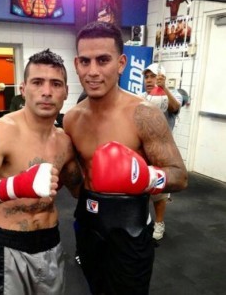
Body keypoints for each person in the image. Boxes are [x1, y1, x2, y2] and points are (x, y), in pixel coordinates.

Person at [63, 21, 188, 295]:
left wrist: (145, 177)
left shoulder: (143, 115)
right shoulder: (72, 119)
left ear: (121, 63)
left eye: (103, 60)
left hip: (130, 229)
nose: (93, 71)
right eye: (85, 61)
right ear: (76, 64)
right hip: (88, 225)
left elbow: (179, 175)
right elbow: (75, 185)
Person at [0, 49, 83, 295]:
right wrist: (17, 186)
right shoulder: (0, 132)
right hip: (7, 247)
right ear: (23, 89)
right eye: (37, 82)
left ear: (66, 91)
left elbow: (79, 190)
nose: (47, 92)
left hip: (50, 244)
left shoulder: (65, 142)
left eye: (56, 84)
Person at [140, 63, 183, 241]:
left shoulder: (171, 95)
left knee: (159, 189)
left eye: (152, 77)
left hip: (163, 151)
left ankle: (159, 223)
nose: (149, 80)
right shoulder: (141, 96)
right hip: (143, 150)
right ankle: (142, 220)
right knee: (140, 186)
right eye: (146, 77)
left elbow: (175, 108)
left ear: (161, 77)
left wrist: (163, 87)